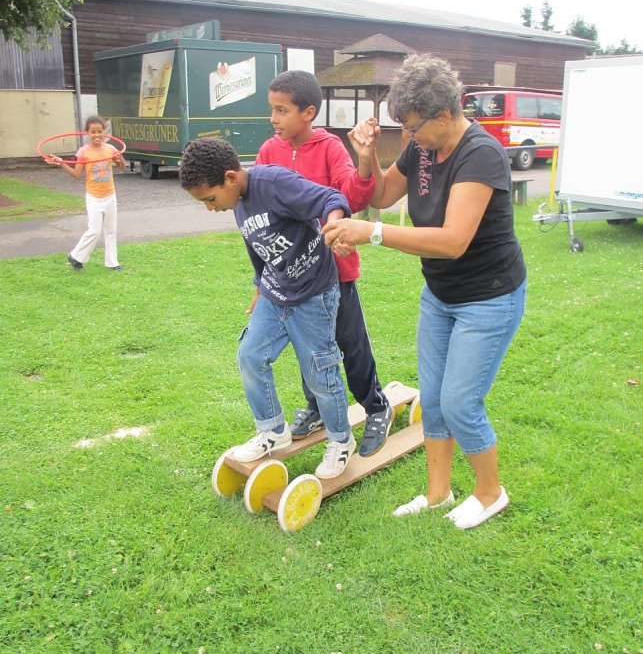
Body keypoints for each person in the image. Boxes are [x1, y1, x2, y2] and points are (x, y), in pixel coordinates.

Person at [323, 55, 527, 529]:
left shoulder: (481, 153)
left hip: (489, 298)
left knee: (460, 403)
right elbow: (382, 196)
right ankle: (437, 493)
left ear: (445, 114)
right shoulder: (422, 148)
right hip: (440, 295)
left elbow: (453, 241)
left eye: (413, 127)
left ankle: (490, 492)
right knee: (432, 398)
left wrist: (371, 233)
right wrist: (367, 156)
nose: (408, 136)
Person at [179, 136, 356, 480]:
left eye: (210, 199)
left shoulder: (274, 183)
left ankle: (340, 441)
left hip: (313, 294)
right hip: (275, 294)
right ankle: (273, 430)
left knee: (320, 372)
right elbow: (257, 247)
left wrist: (335, 226)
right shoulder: (238, 202)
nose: (210, 208)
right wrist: (260, 287)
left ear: (230, 178)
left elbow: (331, 198)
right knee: (250, 355)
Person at [255, 70, 393, 457]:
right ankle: (316, 407)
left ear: (308, 112)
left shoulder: (329, 147)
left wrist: (365, 162)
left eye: (282, 110)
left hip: (336, 270)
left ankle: (376, 407)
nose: (274, 118)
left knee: (350, 343)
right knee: (308, 346)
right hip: (294, 276)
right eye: (273, 110)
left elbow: (351, 195)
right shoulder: (270, 152)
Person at [48, 115, 126, 270]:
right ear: (87, 133)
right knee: (94, 230)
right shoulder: (83, 152)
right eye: (93, 131)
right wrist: (61, 163)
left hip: (110, 195)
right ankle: (76, 256)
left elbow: (122, 167)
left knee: (111, 231)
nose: (97, 135)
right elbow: (77, 174)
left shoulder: (111, 149)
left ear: (104, 132)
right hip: (94, 197)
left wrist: (120, 158)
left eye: (99, 131)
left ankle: (112, 263)